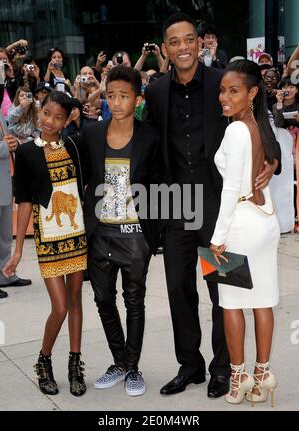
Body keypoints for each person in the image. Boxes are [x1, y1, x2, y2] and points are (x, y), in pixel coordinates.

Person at [144, 12, 281, 398]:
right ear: (166, 49)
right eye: (175, 41)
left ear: (199, 42)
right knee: (177, 289)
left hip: (219, 205)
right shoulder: (155, 92)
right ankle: (190, 366)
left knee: (224, 290)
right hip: (174, 205)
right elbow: (151, 152)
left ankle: (225, 368)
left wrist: (273, 161)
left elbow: (261, 121)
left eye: (190, 39)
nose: (184, 46)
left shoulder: (222, 82)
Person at [66, 66, 159, 396]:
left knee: (135, 301)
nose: (117, 102)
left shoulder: (150, 136)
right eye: (111, 96)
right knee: (104, 299)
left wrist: (153, 236)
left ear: (137, 99)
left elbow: (161, 183)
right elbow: (74, 168)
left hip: (136, 235)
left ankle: (132, 367)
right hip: (101, 233)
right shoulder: (92, 133)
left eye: (124, 96)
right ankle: (119, 361)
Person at [3, 91, 87, 397]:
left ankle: (75, 364)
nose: (50, 121)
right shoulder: (26, 153)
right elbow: (24, 201)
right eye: (46, 113)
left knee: (76, 299)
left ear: (67, 120)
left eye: (58, 117)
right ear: (40, 112)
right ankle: (44, 360)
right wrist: (18, 249)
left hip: (76, 233)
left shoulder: (75, 146)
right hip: (48, 238)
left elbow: (83, 187)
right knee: (61, 306)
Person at [210, 59, 279, 406]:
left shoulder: (235, 130)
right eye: (222, 90)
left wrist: (217, 237)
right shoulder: (259, 124)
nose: (224, 97)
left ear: (252, 92)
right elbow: (269, 162)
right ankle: (263, 374)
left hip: (239, 225)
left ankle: (238, 377)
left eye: (233, 91)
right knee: (263, 301)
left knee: (231, 304)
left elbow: (230, 189)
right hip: (265, 221)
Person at [0, 89, 31, 297]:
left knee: (3, 235)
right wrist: (5, 146)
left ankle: (5, 274)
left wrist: (11, 143)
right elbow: (4, 143)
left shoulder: (0, 114)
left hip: (5, 179)